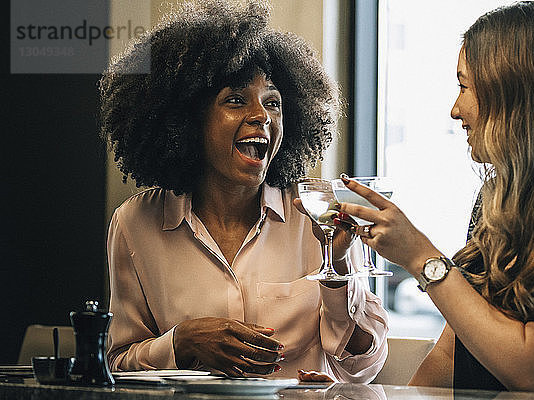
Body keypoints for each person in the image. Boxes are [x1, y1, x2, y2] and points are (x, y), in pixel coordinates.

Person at [99, 0, 388, 382]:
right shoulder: (135, 223)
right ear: (188, 120)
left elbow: (362, 366)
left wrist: (335, 268)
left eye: (273, 102)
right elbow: (114, 363)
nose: (262, 116)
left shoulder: (317, 220)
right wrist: (179, 344)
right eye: (236, 100)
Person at [338, 1, 534, 394]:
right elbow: (451, 355)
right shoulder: (498, 196)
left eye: (464, 87)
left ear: (516, 96)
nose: (455, 110)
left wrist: (421, 257)